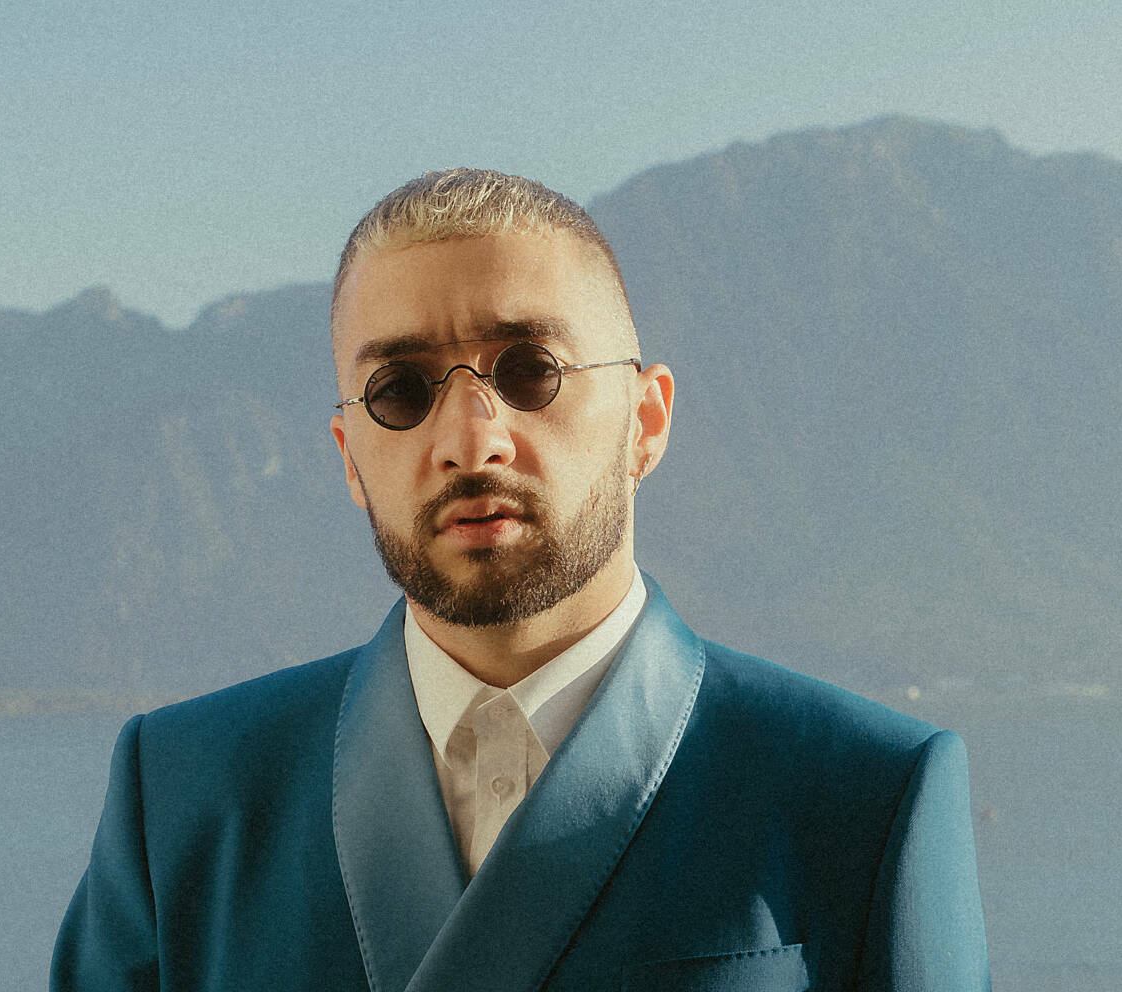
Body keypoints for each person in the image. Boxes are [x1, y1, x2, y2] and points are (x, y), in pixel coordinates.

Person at [52, 169, 992, 991]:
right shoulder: (181, 798)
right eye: (400, 391)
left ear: (646, 421)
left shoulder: (863, 797)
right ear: (348, 457)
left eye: (531, 371)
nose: (471, 440)